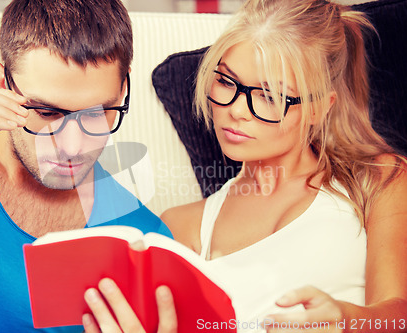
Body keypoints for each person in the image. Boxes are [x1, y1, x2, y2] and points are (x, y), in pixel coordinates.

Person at [80, 0, 407, 332]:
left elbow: (399, 315)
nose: (236, 110)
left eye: (268, 95)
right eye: (226, 81)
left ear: (320, 108)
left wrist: (346, 320)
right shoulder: (184, 227)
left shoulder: (378, 178)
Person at [0, 0, 172, 332]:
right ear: (2, 83)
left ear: (123, 90)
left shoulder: (144, 241)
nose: (73, 147)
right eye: (47, 113)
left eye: (95, 113)